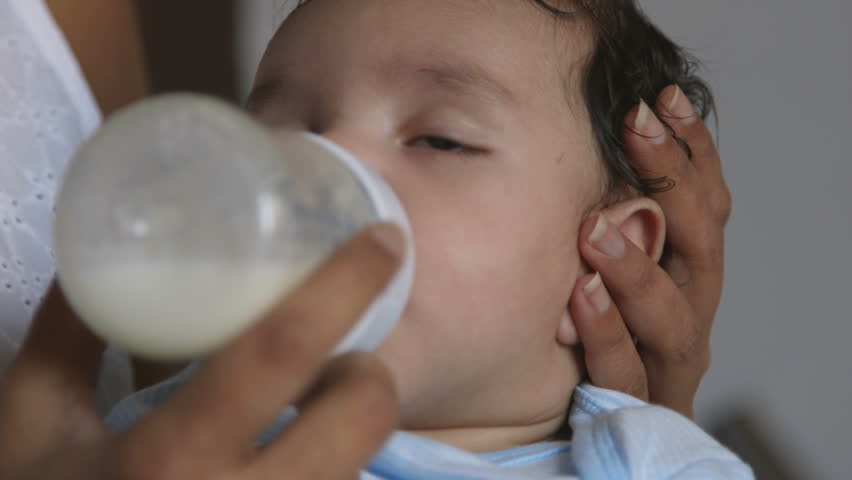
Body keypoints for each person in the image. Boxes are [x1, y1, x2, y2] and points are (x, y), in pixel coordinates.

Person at [0, 0, 739, 479]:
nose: (326, 163)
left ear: (604, 258)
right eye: (278, 136)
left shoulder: (650, 464)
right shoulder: (165, 429)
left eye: (441, 140)